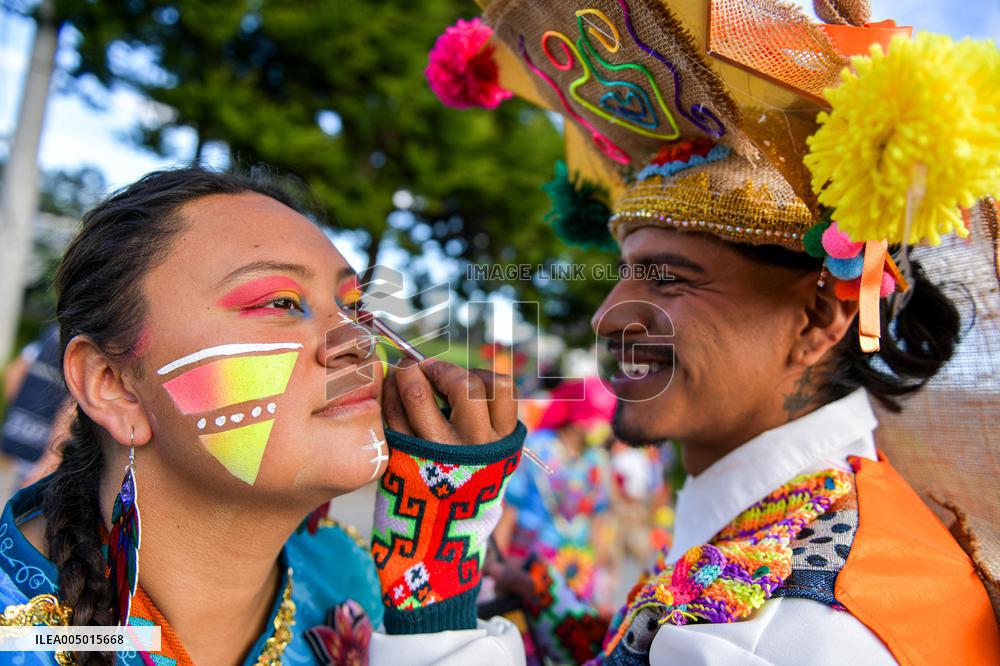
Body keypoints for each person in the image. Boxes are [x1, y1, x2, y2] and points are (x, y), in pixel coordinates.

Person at [423, 1, 1000, 663]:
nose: (608, 315)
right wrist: (556, 620)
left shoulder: (791, 629)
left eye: (668, 279)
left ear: (816, 319)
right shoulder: (796, 535)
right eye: (627, 272)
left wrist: (434, 581)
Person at [0, 167, 527, 665]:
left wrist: (434, 606)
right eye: (281, 302)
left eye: (353, 308)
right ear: (113, 386)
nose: (360, 341)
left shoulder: (351, 578)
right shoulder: (17, 635)